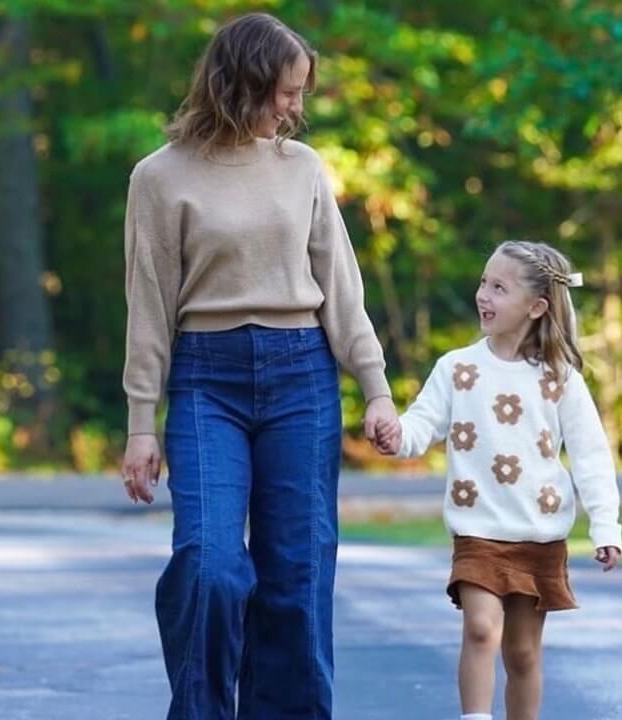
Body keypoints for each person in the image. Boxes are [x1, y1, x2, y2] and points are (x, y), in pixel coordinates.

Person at [118, 13, 398, 719]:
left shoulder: (301, 169)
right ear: (238, 84)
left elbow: (341, 288)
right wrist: (140, 426)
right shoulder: (159, 177)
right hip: (205, 380)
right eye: (284, 92)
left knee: (296, 577)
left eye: (300, 93)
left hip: (301, 375)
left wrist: (376, 389)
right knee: (210, 566)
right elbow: (148, 306)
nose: (295, 108)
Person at [374, 240, 622, 720]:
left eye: (499, 288)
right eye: (484, 283)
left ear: (536, 307)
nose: (483, 295)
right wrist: (394, 435)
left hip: (538, 533)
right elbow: (421, 426)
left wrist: (606, 526)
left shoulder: (559, 377)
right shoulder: (458, 369)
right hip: (478, 530)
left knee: (523, 654)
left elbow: (591, 455)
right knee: (482, 630)